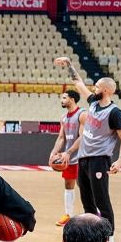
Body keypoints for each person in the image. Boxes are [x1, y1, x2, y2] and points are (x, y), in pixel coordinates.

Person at [53, 57, 121, 242]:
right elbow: (78, 82)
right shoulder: (93, 103)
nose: (94, 89)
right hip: (83, 158)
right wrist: (69, 64)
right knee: (87, 201)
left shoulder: (115, 112)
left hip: (99, 160)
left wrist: (120, 160)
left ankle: (109, 241)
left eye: (97, 87)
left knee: (102, 201)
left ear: (106, 90)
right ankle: (92, 238)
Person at [48, 89, 83, 227]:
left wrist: (69, 152)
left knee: (84, 186)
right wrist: (53, 153)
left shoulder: (82, 114)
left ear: (72, 99)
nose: (61, 100)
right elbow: (61, 138)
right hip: (68, 158)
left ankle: (94, 212)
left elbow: (83, 137)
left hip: (82, 156)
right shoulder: (63, 117)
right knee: (68, 185)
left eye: (64, 98)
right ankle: (68, 215)